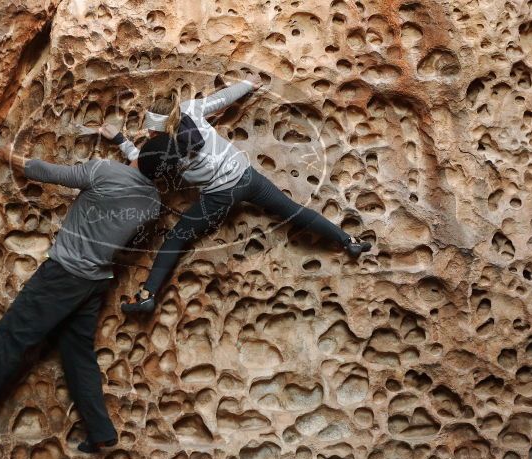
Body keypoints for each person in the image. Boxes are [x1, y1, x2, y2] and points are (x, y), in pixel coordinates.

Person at [0, 143, 161, 453]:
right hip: (96, 281)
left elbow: (48, 173)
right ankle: (100, 429)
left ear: (141, 156)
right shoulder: (153, 203)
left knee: (12, 336)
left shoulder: (105, 171)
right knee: (78, 354)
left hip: (64, 275)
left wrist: (10, 156)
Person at [100, 74, 372, 314]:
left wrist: (120, 141)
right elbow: (221, 99)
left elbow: (140, 166)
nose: (147, 132)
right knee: (293, 211)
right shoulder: (189, 110)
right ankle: (348, 240)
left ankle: (146, 296)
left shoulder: (160, 149)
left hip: (219, 196)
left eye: (149, 129)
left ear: (154, 129)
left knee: (177, 237)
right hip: (246, 176)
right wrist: (247, 85)